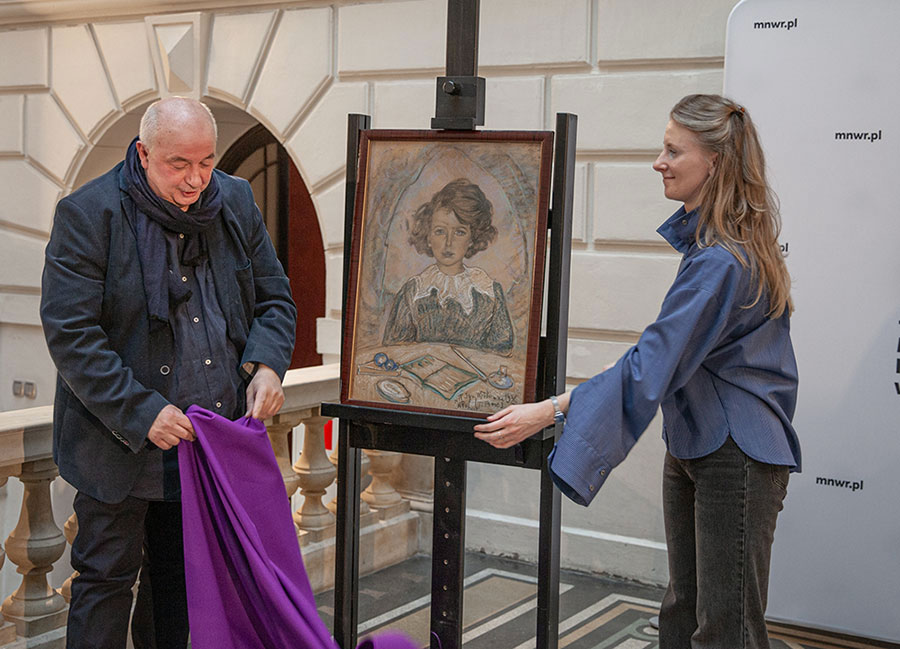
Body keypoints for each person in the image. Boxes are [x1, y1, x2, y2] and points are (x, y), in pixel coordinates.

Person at [474, 94, 801, 649]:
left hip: (734, 453)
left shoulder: (722, 259)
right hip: (700, 442)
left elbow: (655, 360)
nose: (659, 161)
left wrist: (549, 409)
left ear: (714, 163)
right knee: (681, 614)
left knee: (726, 633)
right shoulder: (718, 248)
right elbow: (667, 352)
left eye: (673, 150)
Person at [40, 97, 296, 649]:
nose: (196, 179)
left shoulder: (235, 200)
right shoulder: (88, 214)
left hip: (204, 446)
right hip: (118, 447)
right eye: (179, 164)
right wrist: (142, 410)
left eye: (205, 162)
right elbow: (72, 337)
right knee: (105, 586)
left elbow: (275, 301)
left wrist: (268, 363)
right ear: (143, 152)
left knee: (178, 590)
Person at [382, 178, 514, 354]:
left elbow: (503, 349)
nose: (448, 243)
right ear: (428, 237)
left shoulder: (488, 290)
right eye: (440, 231)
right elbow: (395, 349)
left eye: (459, 232)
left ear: (473, 238)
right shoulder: (414, 290)